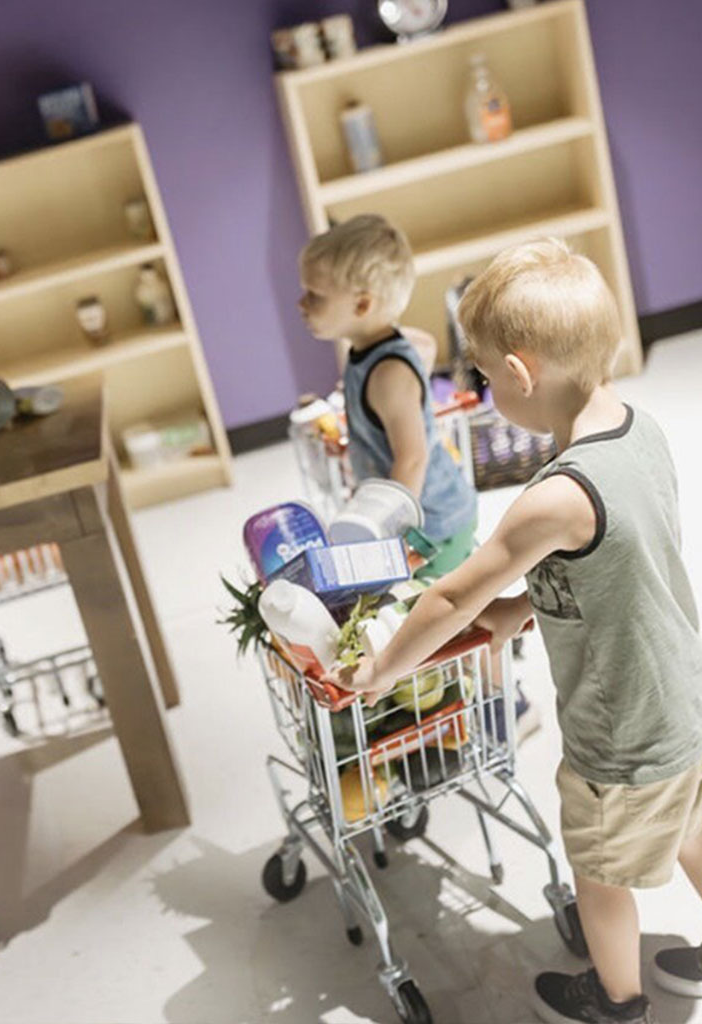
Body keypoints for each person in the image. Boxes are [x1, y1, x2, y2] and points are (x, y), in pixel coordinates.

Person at [336, 237, 702, 1024]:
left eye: (484, 374)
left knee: (600, 875)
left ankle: (618, 1001)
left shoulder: (555, 496)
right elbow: (617, 568)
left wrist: (385, 670)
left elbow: (450, 599)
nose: (481, 385)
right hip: (683, 694)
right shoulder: (642, 431)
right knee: (694, 827)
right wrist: (517, 615)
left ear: (523, 373)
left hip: (621, 730)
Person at [299, 214, 539, 736]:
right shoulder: (374, 351)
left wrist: (380, 531)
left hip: (428, 522)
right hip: (424, 515)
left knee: (460, 617)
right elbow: (423, 343)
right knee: (449, 615)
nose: (302, 304)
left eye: (314, 295)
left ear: (363, 305)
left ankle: (509, 710)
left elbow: (410, 459)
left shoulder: (386, 374)